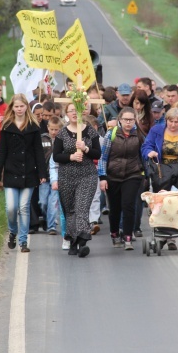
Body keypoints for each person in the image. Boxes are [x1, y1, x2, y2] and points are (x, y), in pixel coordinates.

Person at [0, 93, 47, 253]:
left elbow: (38, 151)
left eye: (22, 106)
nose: (19, 109)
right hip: (11, 172)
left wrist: (42, 173)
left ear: (26, 107)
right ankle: (12, 232)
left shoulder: (33, 127)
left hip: (29, 173)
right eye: (16, 106)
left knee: (23, 207)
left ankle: (23, 241)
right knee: (11, 207)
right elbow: (1, 151)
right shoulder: (7, 126)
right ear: (12, 107)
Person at [141, 108, 178, 250]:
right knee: (162, 203)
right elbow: (146, 146)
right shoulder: (156, 130)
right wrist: (150, 152)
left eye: (176, 121)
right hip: (160, 170)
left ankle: (175, 234)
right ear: (166, 121)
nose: (173, 124)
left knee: (176, 202)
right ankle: (162, 234)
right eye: (170, 121)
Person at [53, 103, 101, 257]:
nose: (74, 113)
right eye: (71, 110)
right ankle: (73, 241)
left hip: (87, 175)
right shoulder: (62, 133)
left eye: (77, 110)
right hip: (67, 176)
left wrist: (86, 149)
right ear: (66, 113)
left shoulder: (90, 132)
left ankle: (82, 242)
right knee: (70, 210)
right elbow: (56, 156)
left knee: (82, 208)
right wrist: (71, 156)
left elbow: (97, 154)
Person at [98, 107, 145, 250]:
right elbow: (103, 157)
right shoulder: (111, 134)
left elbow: (144, 154)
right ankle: (114, 233)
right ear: (120, 120)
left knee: (129, 205)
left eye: (131, 119)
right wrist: (103, 177)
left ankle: (128, 236)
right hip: (113, 175)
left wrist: (146, 171)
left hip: (132, 174)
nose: (128, 122)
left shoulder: (139, 134)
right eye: (125, 119)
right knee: (115, 208)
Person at [39, 115, 63, 235]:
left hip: (57, 176)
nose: (54, 132)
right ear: (48, 128)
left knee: (53, 202)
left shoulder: (62, 140)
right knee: (42, 202)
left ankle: (51, 226)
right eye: (52, 129)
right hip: (44, 176)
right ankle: (45, 218)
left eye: (56, 129)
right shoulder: (42, 139)